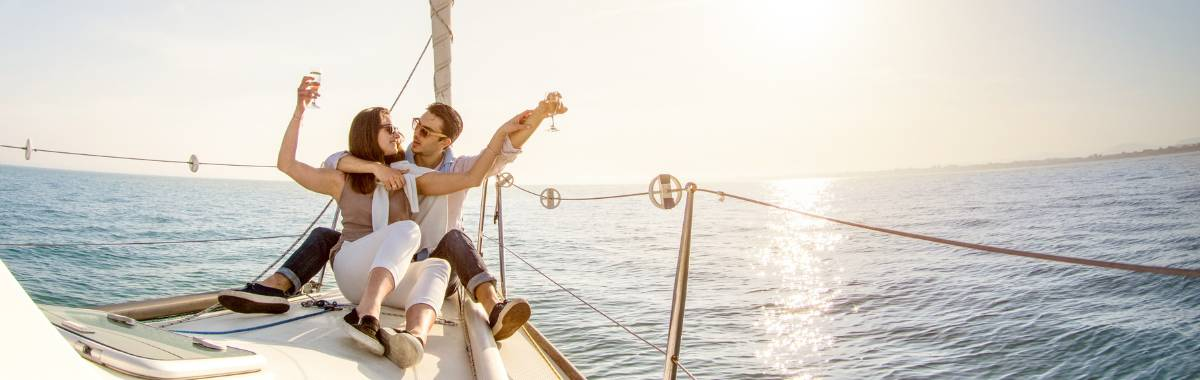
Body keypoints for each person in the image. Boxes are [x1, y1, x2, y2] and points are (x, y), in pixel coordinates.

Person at [220, 92, 561, 342]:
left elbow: (491, 162)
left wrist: (526, 121)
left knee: (445, 249)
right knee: (338, 234)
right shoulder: (385, 168)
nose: (411, 133)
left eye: (425, 131)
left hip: (415, 267)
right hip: (377, 266)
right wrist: (302, 113)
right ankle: (277, 289)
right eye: (412, 126)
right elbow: (325, 159)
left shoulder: (419, 175)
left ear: (446, 141)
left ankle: (457, 321)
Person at [264, 75, 526, 367]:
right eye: (389, 128)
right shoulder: (342, 176)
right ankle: (363, 313)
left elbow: (471, 178)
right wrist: (299, 110)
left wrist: (501, 132)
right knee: (403, 229)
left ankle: (413, 339)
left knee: (437, 266)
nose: (398, 133)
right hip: (354, 276)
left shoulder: (409, 176)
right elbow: (287, 164)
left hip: (389, 279)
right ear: (368, 134)